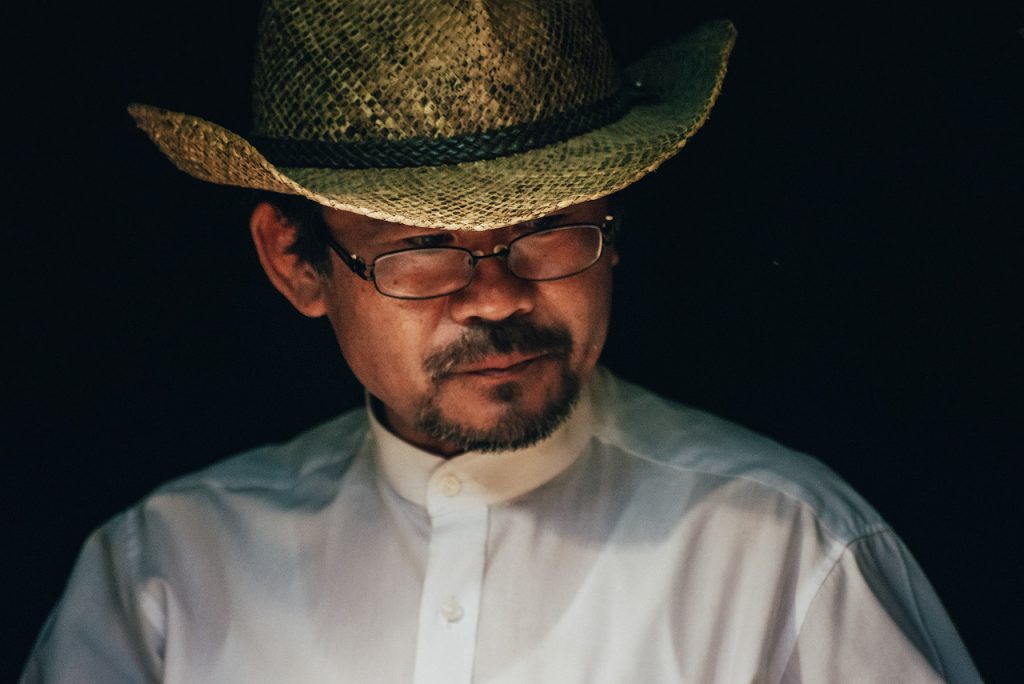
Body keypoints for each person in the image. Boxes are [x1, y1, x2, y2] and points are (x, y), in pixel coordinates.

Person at [22, 1, 980, 682]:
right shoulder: (164, 577)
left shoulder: (789, 553)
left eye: (548, 228)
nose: (493, 296)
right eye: (424, 247)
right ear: (296, 261)